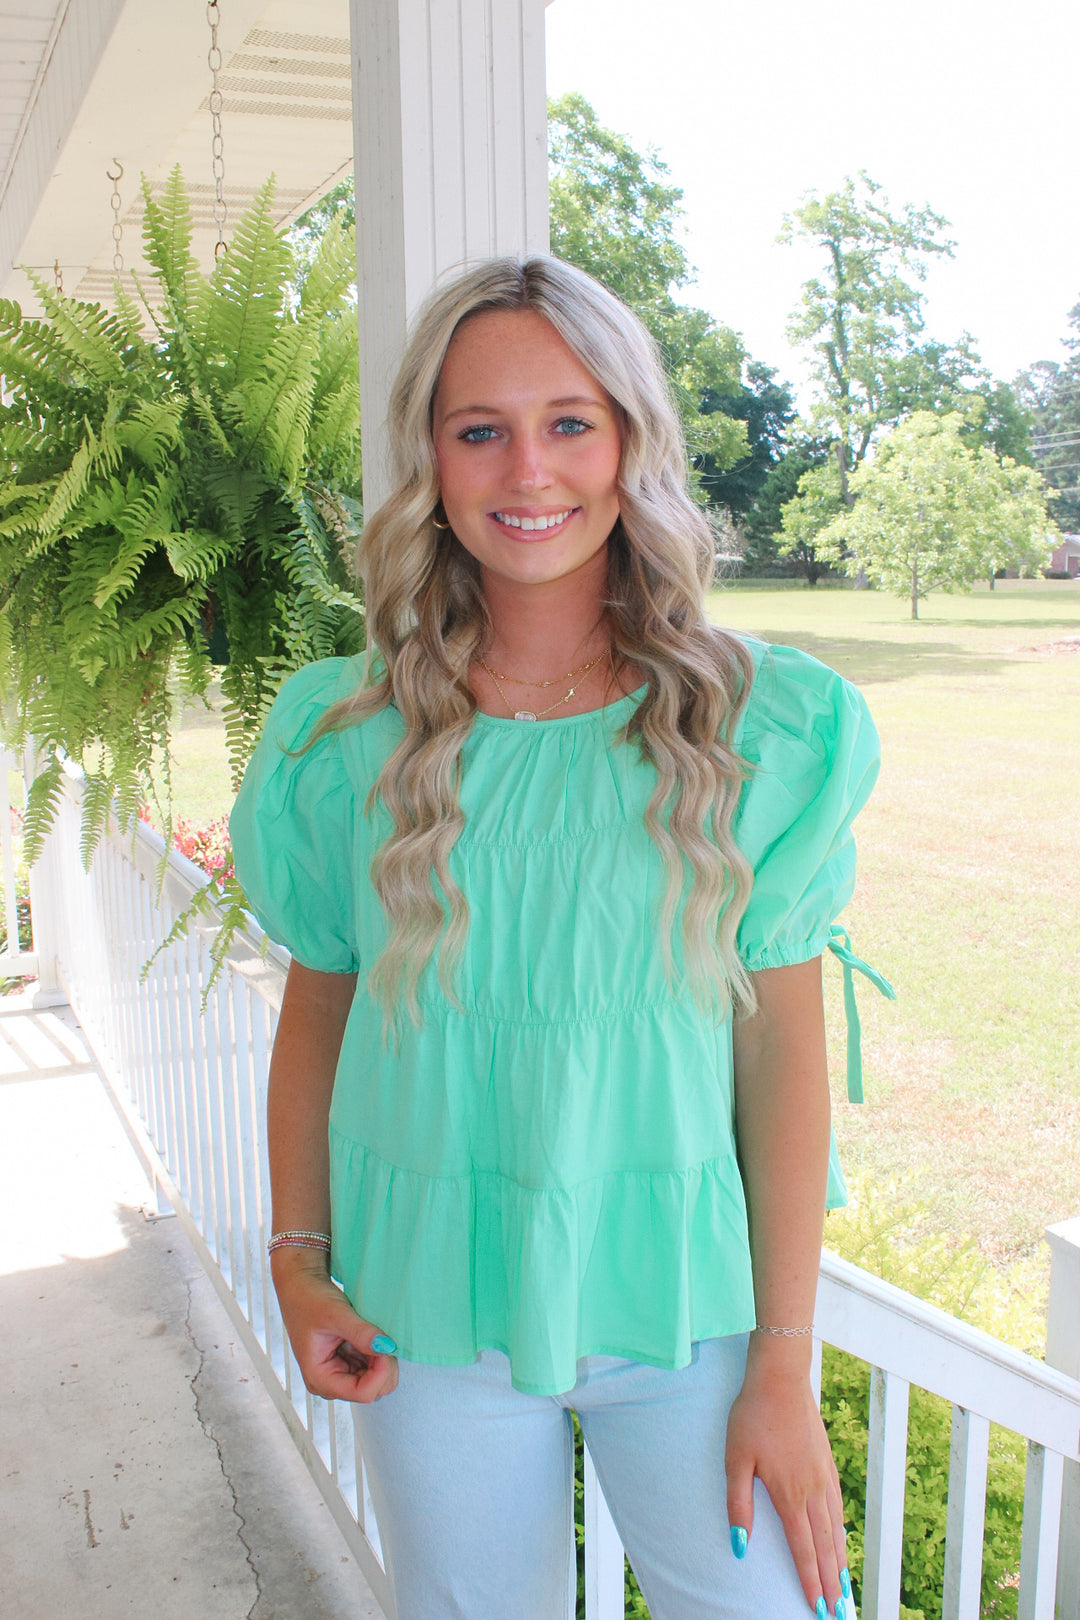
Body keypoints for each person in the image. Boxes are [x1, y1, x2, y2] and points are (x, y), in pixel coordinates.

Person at [230, 255, 880, 1620]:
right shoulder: (341, 735)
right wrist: (297, 1261)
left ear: (631, 439)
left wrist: (783, 1360)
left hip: (689, 1311)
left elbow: (783, 1063)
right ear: (432, 458)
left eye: (570, 421)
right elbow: (319, 1013)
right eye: (482, 430)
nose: (529, 469)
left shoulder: (763, 727)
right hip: (426, 1307)